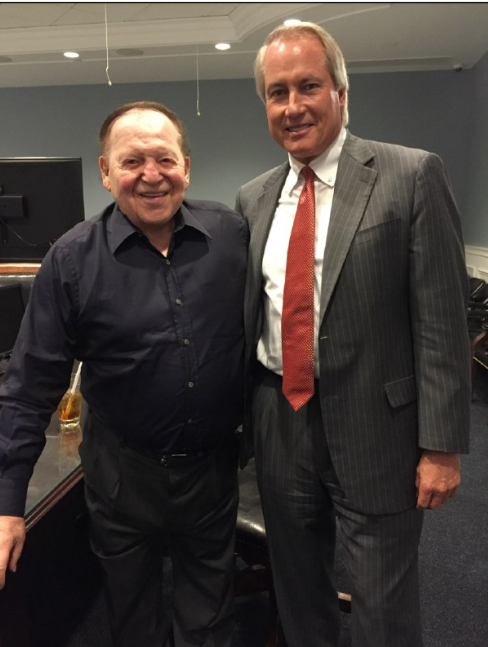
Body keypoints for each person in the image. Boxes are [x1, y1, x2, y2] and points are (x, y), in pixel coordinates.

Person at [235, 22, 471, 647]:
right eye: (277, 92)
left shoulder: (410, 174)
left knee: (382, 605)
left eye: (308, 86)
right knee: (297, 589)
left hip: (380, 427)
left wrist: (442, 448)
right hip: (279, 420)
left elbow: (442, 322)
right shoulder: (253, 198)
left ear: (341, 92)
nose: (293, 106)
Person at [0, 101, 248, 647]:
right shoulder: (71, 260)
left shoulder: (231, 236)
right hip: (121, 476)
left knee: (209, 620)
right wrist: (7, 504)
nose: (151, 174)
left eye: (165, 159)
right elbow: (29, 387)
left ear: (187, 167)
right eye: (132, 161)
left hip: (211, 472)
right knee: (133, 619)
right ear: (106, 172)